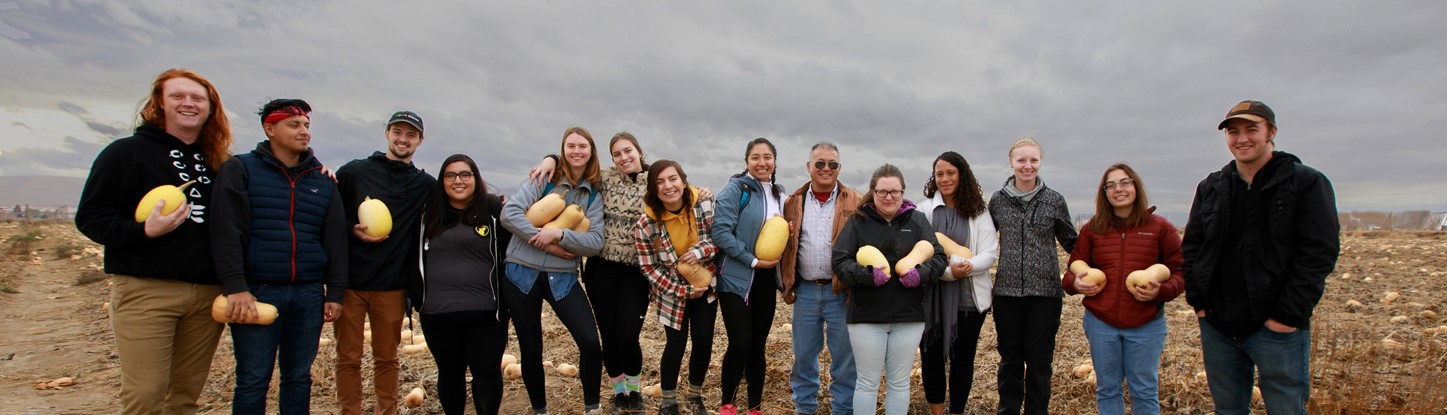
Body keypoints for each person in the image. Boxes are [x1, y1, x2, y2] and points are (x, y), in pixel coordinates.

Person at [75, 68, 233, 415]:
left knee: (184, 397)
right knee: (145, 396)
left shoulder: (220, 163)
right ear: (159, 103)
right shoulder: (125, 153)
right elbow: (90, 216)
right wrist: (143, 231)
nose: (188, 103)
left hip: (207, 294)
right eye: (178, 96)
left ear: (210, 108)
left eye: (198, 98)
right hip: (147, 290)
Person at [1184, 100, 1339, 415]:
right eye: (1233, 132)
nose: (1241, 139)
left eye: (1251, 129)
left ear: (1271, 132)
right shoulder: (1211, 187)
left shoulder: (1305, 182)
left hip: (1276, 327)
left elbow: (1318, 253)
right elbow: (1193, 247)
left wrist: (1288, 315)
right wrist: (1200, 302)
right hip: (1218, 324)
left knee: (1286, 408)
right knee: (1228, 409)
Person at [210, 98, 347, 414]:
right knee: (254, 377)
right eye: (294, 125)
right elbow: (226, 232)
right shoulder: (240, 169)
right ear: (269, 128)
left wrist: (335, 292)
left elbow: (336, 241)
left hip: (308, 293)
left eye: (307, 126)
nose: (304, 132)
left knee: (299, 377)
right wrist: (235, 286)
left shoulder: (323, 181)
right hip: (258, 292)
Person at [527, 132, 664, 413]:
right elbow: (576, 167)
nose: (623, 157)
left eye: (628, 151)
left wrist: (705, 192)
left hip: (635, 272)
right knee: (609, 334)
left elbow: (682, 190)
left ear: (639, 151)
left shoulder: (656, 180)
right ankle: (619, 392)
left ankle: (635, 388)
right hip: (601, 269)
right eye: (617, 154)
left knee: (628, 335)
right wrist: (551, 158)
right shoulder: (604, 178)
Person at [498, 126, 607, 415]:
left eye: (582, 146)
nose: (576, 151)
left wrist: (560, 236)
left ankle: (592, 407)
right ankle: (540, 410)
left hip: (563, 278)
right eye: (570, 145)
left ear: (591, 151)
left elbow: (595, 242)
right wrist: (544, 241)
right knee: (531, 348)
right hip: (521, 272)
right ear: (562, 149)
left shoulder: (593, 194)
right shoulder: (544, 179)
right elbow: (509, 214)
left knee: (590, 342)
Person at [333, 110, 434, 415]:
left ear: (420, 140)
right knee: (348, 357)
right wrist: (353, 228)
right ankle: (349, 411)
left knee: (387, 358)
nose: (403, 139)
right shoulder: (354, 172)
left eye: (411, 135)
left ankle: (386, 411)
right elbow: (332, 216)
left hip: (391, 285)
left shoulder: (424, 185)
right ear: (387, 133)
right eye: (398, 132)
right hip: (350, 282)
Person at [1062, 163, 1184, 415]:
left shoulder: (1160, 228)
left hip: (1146, 323)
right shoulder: (1093, 228)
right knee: (1107, 389)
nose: (1119, 189)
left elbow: (1181, 273)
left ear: (1136, 186)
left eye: (1125, 182)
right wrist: (1075, 283)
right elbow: (1070, 271)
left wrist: (1159, 291)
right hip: (1101, 322)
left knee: (1144, 390)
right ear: (1104, 193)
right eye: (1111, 185)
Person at [832, 163, 947, 415]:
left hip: (909, 316)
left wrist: (919, 275)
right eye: (883, 192)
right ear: (872, 192)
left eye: (895, 191)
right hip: (866, 317)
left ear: (903, 192)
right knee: (867, 383)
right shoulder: (858, 222)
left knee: (898, 383)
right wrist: (867, 276)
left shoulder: (917, 220)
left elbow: (938, 258)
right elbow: (840, 261)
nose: (889, 197)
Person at [409, 154, 511, 415]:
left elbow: (517, 245)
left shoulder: (493, 211)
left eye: (465, 174)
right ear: (442, 180)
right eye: (450, 175)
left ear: (476, 178)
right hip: (437, 313)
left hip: (486, 313)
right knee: (450, 372)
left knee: (486, 371)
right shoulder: (426, 213)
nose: (458, 180)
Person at [988, 137, 1077, 415]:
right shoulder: (998, 201)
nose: (1028, 166)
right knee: (1010, 361)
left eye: (1033, 160)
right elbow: (985, 240)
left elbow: (1072, 242)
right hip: (1007, 294)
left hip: (1046, 295)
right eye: (1022, 160)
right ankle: (1008, 411)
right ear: (1012, 162)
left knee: (1039, 364)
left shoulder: (1054, 200)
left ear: (1040, 162)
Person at [780, 142, 862, 415]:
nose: (826, 169)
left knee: (844, 358)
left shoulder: (856, 200)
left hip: (840, 291)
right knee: (804, 356)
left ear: (839, 168)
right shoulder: (793, 202)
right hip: (805, 290)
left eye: (833, 164)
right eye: (820, 163)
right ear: (809, 167)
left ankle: (843, 409)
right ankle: (805, 408)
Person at [915, 151, 999, 415]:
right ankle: (937, 412)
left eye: (950, 173)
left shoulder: (979, 211)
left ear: (962, 175)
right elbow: (921, 252)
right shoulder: (924, 210)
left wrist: (969, 266)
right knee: (931, 359)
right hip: (931, 299)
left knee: (963, 361)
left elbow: (989, 252)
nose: (945, 178)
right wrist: (950, 272)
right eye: (939, 174)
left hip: (969, 302)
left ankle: (957, 412)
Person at [632, 160, 718, 415]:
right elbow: (649, 269)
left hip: (705, 282)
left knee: (703, 340)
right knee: (676, 342)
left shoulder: (703, 204)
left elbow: (718, 239)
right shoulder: (645, 225)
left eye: (673, 179)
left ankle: (695, 394)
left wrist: (699, 250)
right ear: (653, 188)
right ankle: (668, 400)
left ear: (683, 180)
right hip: (671, 290)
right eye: (660, 182)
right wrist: (684, 291)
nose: (668, 186)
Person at [711, 137, 787, 415]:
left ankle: (755, 406)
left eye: (767, 157)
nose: (762, 162)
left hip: (766, 281)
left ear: (775, 161)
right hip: (736, 278)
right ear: (747, 162)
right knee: (740, 342)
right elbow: (720, 232)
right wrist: (752, 260)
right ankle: (728, 404)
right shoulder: (736, 189)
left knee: (758, 345)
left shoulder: (781, 194)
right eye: (756, 157)